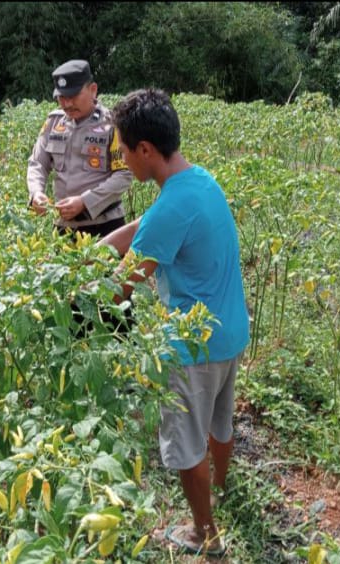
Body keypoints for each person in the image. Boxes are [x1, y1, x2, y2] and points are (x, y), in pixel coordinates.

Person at [99, 88, 250, 557]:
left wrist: (78, 289)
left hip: (191, 349)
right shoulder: (198, 181)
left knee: (187, 449)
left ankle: (204, 535)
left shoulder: (170, 208)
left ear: (145, 149)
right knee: (220, 424)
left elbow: (121, 288)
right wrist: (100, 247)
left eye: (123, 150)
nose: (122, 160)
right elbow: (148, 222)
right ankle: (222, 489)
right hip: (230, 332)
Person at [27, 59, 133, 238]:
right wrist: (36, 193)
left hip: (105, 226)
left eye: (73, 96)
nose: (67, 104)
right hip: (63, 228)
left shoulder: (112, 124)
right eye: (62, 97)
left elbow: (124, 175)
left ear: (93, 90)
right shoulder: (54, 123)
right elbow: (37, 163)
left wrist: (85, 202)